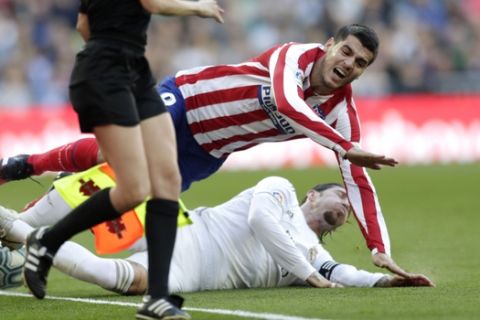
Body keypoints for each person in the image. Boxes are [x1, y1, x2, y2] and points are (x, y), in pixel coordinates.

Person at [1, 24, 409, 281]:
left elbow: (357, 177)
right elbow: (287, 103)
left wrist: (379, 248)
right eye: (347, 52)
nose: (350, 63)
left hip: (205, 153)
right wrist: (345, 146)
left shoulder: (342, 114)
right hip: (185, 99)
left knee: (123, 188)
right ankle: (25, 177)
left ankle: (21, 208)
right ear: (329, 45)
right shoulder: (293, 55)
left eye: (361, 63)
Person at [19, 1, 224, 319]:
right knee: (133, 189)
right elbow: (152, 3)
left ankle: (157, 298)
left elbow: (83, 25)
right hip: (105, 74)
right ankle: (48, 239)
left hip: (135, 73)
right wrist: (198, 7)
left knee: (166, 181)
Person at [0, 176, 434, 293]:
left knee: (109, 278)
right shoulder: (280, 190)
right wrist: (307, 273)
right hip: (186, 228)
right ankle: (45, 195)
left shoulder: (315, 252)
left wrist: (387, 280)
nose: (344, 203)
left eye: (348, 203)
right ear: (313, 196)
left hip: (189, 276)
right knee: (107, 189)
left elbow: (345, 274)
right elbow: (260, 222)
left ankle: (11, 227)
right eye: (339, 193)